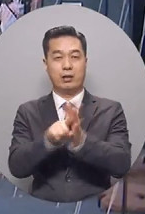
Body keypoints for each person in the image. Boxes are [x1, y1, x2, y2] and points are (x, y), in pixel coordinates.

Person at [8, 25, 132, 203]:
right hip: (39, 208)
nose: (67, 66)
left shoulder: (111, 110)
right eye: (58, 58)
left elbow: (121, 165)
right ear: (46, 64)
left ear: (85, 61)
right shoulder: (28, 112)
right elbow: (17, 167)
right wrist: (48, 141)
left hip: (93, 208)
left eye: (75, 57)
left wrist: (81, 141)